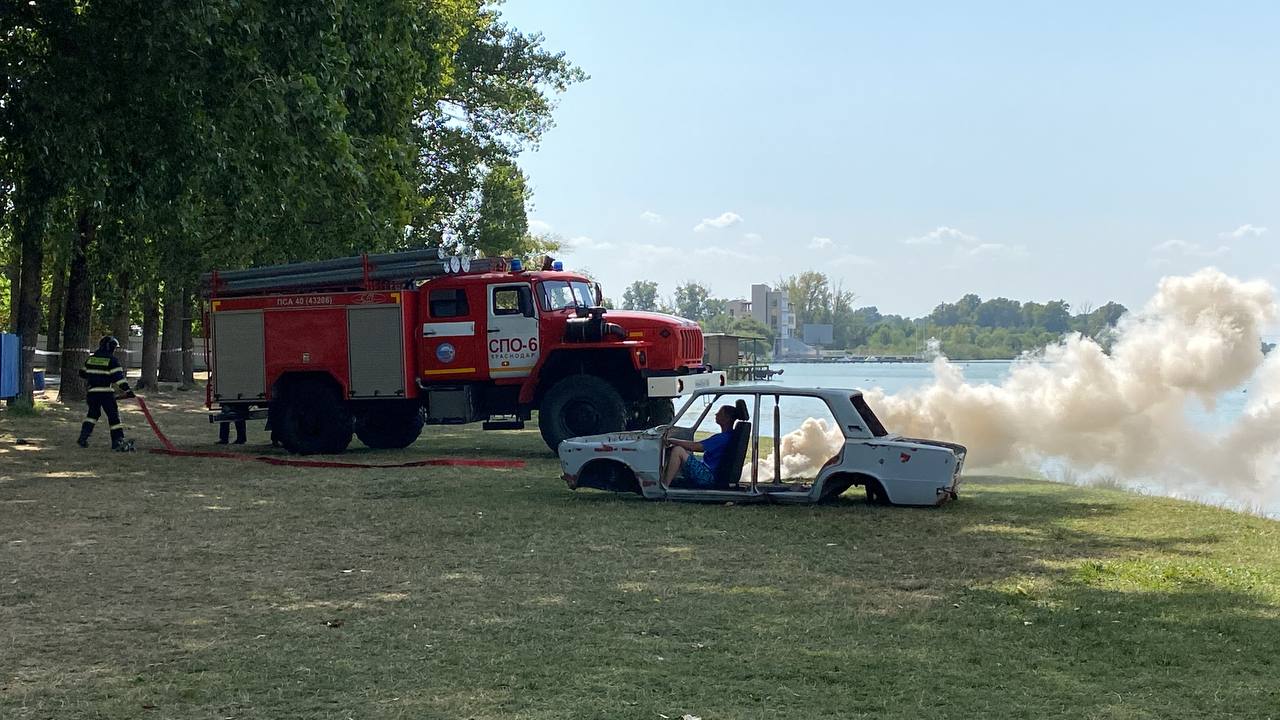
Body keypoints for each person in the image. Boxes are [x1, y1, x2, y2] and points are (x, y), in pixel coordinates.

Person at [662, 399, 749, 488]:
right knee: (683, 452)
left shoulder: (722, 438)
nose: (716, 414)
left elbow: (695, 447)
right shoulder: (728, 435)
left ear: (727, 419)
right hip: (709, 472)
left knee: (678, 450)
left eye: (719, 413)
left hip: (707, 476)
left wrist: (671, 440)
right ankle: (668, 481)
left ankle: (664, 486)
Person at [76, 336, 135, 451]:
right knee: (114, 417)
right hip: (106, 393)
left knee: (92, 415)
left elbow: (82, 373)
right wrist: (128, 391)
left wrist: (94, 377)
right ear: (110, 347)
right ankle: (118, 441)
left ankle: (83, 437)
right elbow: (119, 379)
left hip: (92, 393)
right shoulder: (112, 360)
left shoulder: (90, 359)